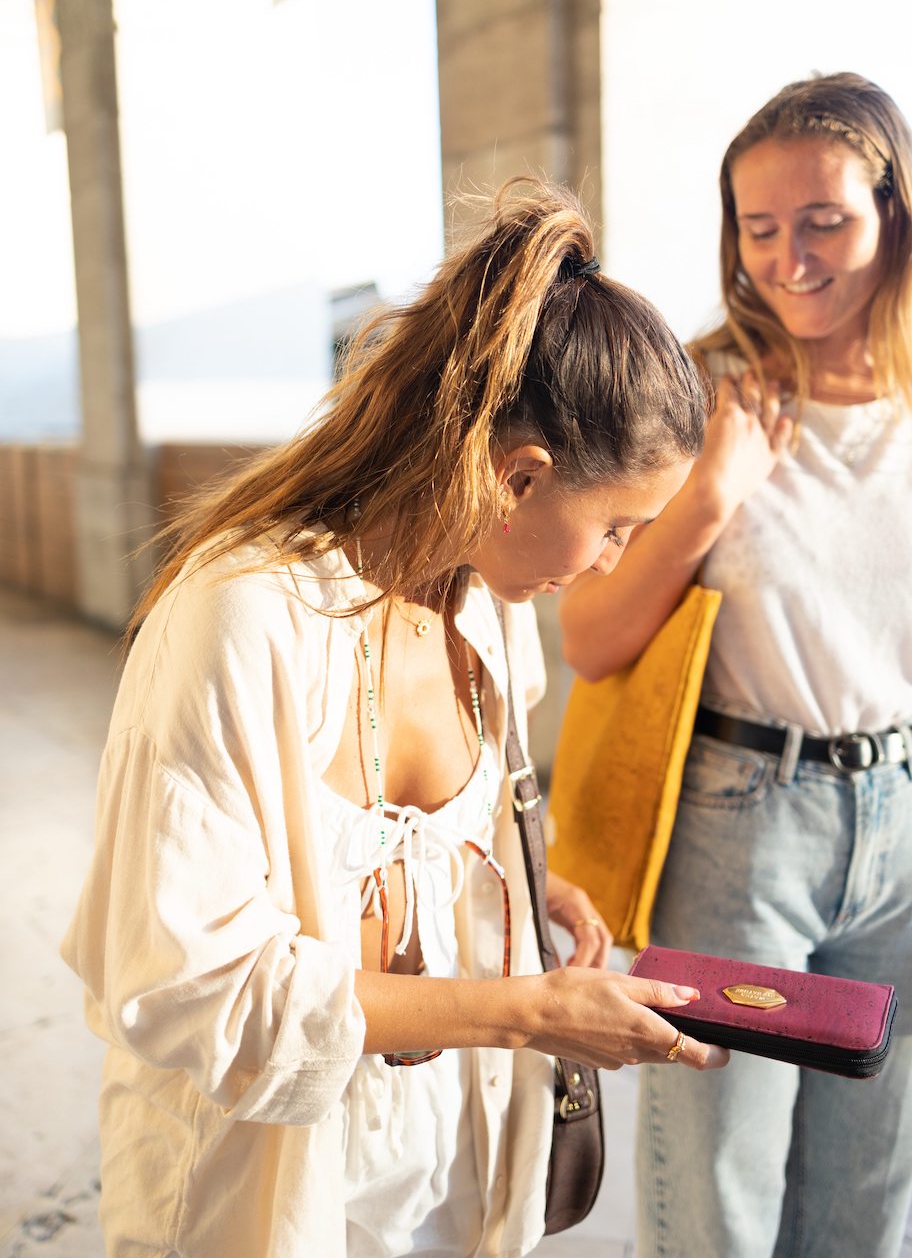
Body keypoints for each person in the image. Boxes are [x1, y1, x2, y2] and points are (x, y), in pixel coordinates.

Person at [61, 179, 727, 1258]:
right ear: (519, 477)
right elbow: (186, 984)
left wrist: (518, 878)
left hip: (445, 1166)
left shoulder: (488, 611)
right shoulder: (243, 616)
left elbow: (390, 848)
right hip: (271, 1190)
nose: (614, 563)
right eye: (617, 528)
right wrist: (533, 1011)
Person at [560, 72, 912, 1258]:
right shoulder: (705, 393)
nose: (790, 259)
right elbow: (591, 635)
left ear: (895, 214)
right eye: (759, 229)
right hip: (739, 822)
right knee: (713, 1189)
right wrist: (709, 492)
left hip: (905, 820)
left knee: (873, 1191)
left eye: (825, 221)